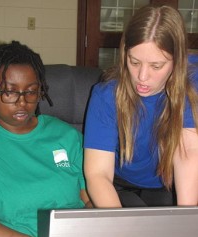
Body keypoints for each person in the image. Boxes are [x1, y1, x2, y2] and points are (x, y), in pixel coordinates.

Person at [0, 41, 91, 237]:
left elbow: (92, 199)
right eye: (9, 92)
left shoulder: (67, 136)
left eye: (31, 91)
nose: (22, 102)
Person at [84, 5, 198, 208]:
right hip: (119, 186)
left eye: (156, 66)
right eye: (134, 62)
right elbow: (98, 174)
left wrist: (187, 222)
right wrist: (120, 230)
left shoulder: (192, 80)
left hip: (168, 183)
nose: (142, 77)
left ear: (178, 61)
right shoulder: (106, 95)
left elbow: (188, 150)